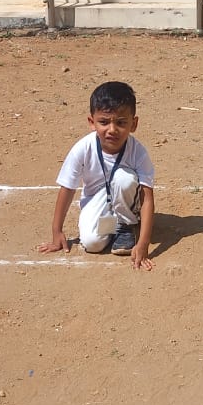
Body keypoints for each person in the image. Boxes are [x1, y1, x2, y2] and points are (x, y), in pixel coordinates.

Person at [38, 81, 155, 269]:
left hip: (127, 195)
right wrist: (57, 230)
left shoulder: (138, 153)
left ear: (134, 124)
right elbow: (67, 188)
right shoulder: (82, 149)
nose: (112, 129)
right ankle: (114, 223)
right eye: (104, 122)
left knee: (124, 179)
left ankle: (127, 223)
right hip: (97, 200)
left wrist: (143, 244)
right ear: (91, 123)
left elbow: (147, 197)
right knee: (93, 243)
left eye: (121, 122)